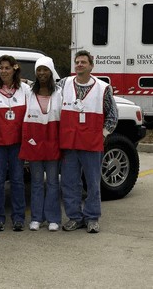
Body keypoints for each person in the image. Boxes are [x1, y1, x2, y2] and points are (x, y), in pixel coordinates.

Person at [58, 50, 118, 233]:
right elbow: (43, 90)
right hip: (69, 143)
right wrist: (23, 82)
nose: (79, 64)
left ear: (91, 65)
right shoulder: (63, 84)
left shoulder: (103, 87)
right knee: (69, 182)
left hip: (92, 144)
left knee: (92, 183)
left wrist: (103, 134)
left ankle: (92, 218)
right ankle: (74, 217)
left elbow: (113, 115)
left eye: (83, 62)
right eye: (77, 62)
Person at [18, 56, 62, 232]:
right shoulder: (28, 91)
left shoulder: (60, 92)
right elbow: (2, 81)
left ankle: (53, 218)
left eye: (45, 69)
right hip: (34, 144)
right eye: (39, 70)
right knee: (36, 182)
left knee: (52, 182)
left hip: (53, 143)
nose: (42, 73)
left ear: (51, 71)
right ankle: (36, 218)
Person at [0, 55, 30, 232]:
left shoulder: (25, 88)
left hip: (17, 143)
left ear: (15, 68)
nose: (4, 71)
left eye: (7, 67)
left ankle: (18, 218)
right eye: (1, 68)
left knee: (18, 180)